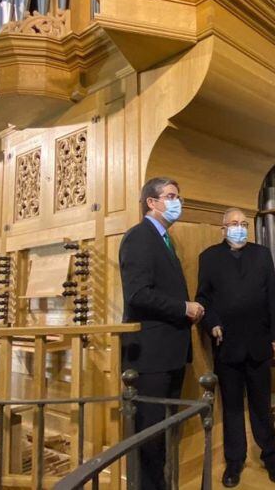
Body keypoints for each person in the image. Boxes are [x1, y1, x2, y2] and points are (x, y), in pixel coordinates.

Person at [119, 177, 204, 490]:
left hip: (169, 352)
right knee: (150, 437)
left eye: (177, 196)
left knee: (166, 432)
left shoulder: (165, 240)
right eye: (170, 196)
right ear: (151, 202)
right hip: (150, 355)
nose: (176, 202)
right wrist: (184, 308)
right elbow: (138, 295)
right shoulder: (138, 237)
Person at [195, 208, 275, 487]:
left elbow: (273, 296)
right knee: (232, 407)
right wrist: (212, 323)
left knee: (261, 405)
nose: (239, 228)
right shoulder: (208, 257)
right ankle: (234, 462)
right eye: (233, 224)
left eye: (243, 224)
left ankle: (271, 456)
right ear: (223, 229)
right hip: (227, 345)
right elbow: (203, 298)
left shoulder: (261, 254)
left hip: (259, 344)